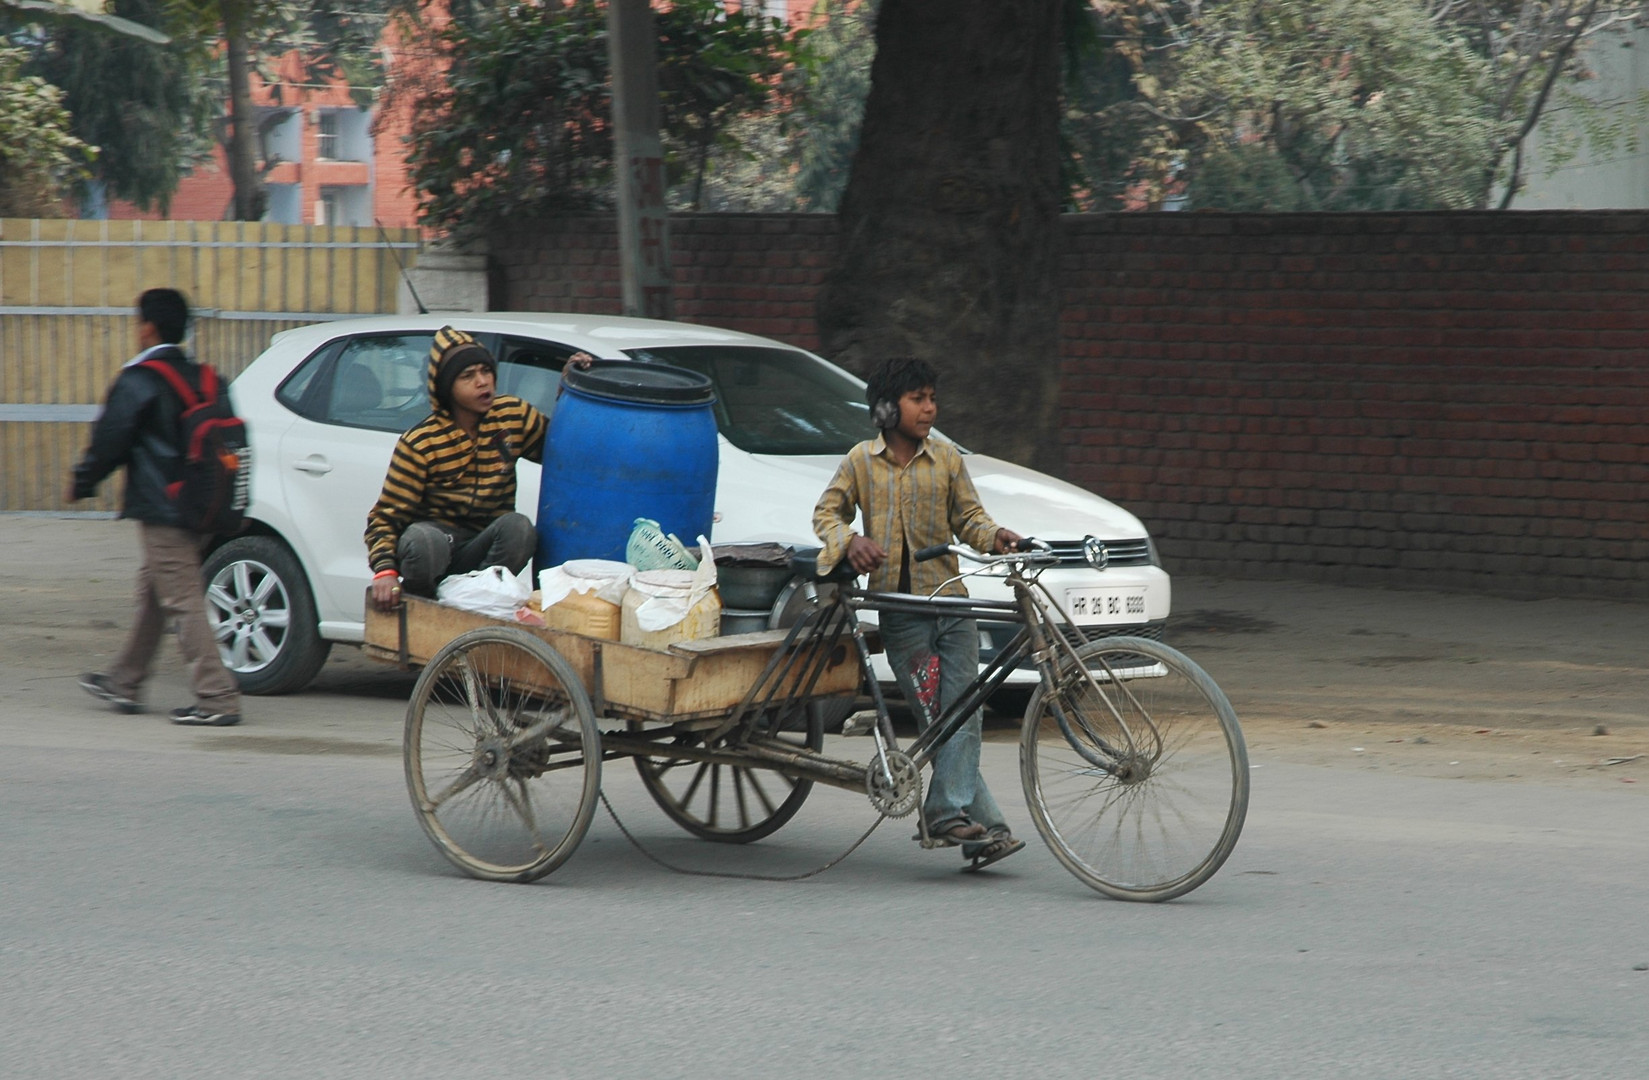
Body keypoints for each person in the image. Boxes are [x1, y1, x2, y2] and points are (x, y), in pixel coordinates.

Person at [811, 355, 1028, 870]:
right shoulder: (861, 461)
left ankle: (952, 817)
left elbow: (969, 517)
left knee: (965, 712)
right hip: (901, 612)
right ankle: (980, 827)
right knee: (938, 716)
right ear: (887, 409)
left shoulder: (947, 457)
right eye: (918, 399)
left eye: (932, 397)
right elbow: (827, 513)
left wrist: (994, 536)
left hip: (951, 603)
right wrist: (850, 541)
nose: (930, 408)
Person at [70, 288, 243, 727]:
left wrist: (83, 481)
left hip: (163, 510)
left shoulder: (140, 378)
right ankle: (124, 680)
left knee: (181, 597)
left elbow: (111, 440)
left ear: (147, 327)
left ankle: (216, 697)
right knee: (157, 590)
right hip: (205, 507)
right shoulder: (207, 378)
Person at [365, 327, 588, 611]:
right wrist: (385, 572)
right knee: (424, 540)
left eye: (485, 371)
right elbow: (384, 519)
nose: (482, 382)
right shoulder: (421, 442)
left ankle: (480, 599)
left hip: (484, 550)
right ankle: (425, 603)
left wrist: (569, 392)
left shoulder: (511, 416)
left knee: (518, 527)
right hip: (437, 550)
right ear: (447, 387)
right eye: (467, 376)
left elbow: (560, 450)